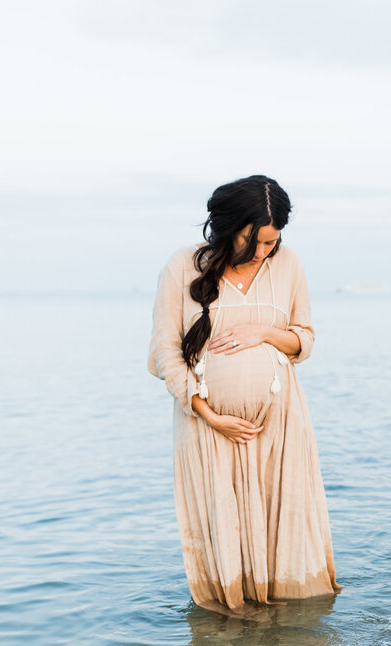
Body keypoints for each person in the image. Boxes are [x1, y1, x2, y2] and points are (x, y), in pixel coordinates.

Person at [147, 175, 343, 616]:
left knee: (289, 545)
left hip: (281, 426)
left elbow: (304, 341)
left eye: (271, 242)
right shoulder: (183, 266)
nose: (262, 252)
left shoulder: (288, 265)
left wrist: (264, 333)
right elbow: (164, 354)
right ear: (228, 226)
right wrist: (208, 414)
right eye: (253, 240)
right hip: (210, 430)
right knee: (225, 552)